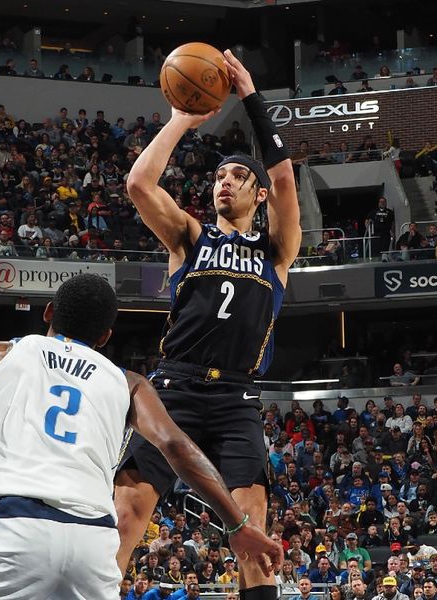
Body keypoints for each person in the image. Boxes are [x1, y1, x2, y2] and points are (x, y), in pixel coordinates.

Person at [0, 274, 277, 599]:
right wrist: (237, 524)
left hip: (11, 527)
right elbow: (175, 445)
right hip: (93, 545)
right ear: (105, 337)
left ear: (49, 311)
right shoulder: (129, 382)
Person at [113, 49, 298, 600]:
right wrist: (178, 120)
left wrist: (250, 96)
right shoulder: (190, 237)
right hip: (173, 386)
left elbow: (286, 177)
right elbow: (139, 186)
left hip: (237, 396)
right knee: (128, 512)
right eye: (220, 175)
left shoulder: (276, 250)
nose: (226, 182)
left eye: (240, 176)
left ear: (257, 195)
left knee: (253, 525)